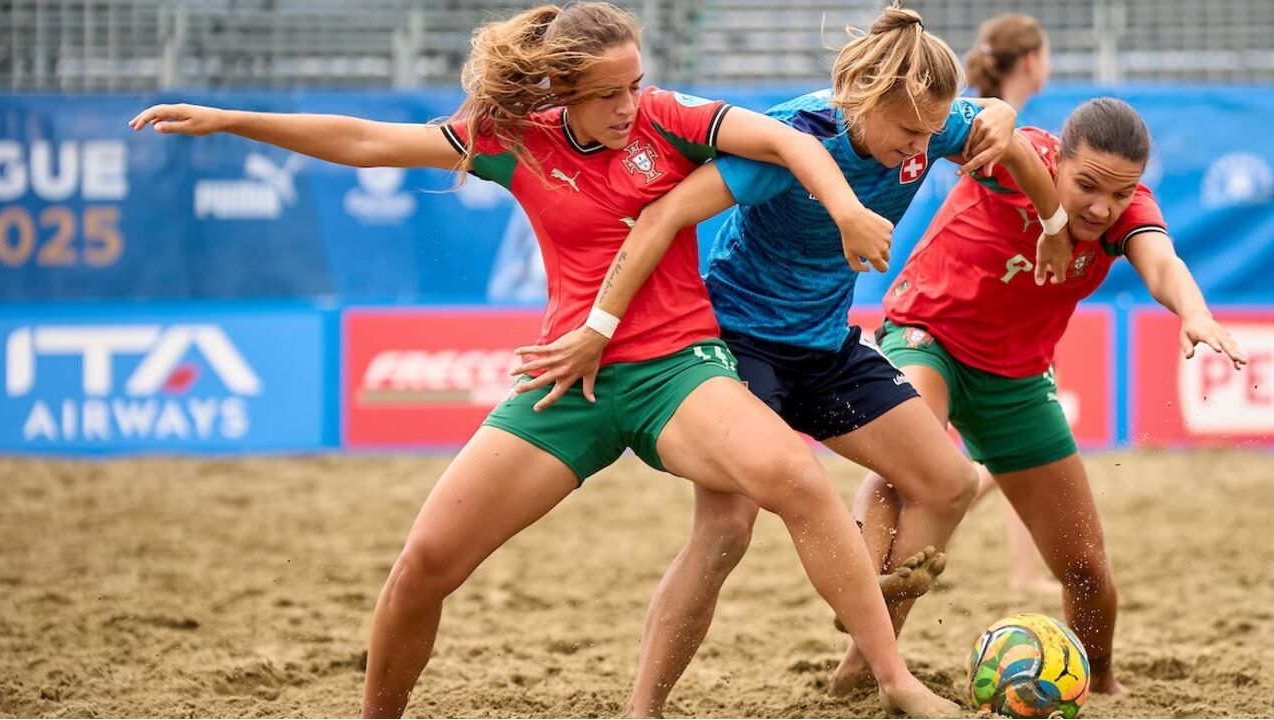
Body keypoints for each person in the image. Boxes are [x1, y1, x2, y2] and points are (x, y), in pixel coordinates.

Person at [129, 3, 959, 718]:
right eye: (608, 94)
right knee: (423, 567)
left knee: (798, 481)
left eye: (635, 83)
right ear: (560, 92)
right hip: (569, 375)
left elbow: (790, 142)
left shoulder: (669, 117)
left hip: (681, 367)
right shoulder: (512, 140)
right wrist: (232, 119)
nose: (630, 105)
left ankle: (890, 678)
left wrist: (848, 208)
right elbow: (364, 140)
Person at [516, 4, 1074, 714]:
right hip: (740, 345)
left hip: (825, 344)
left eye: (932, 135)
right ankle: (644, 706)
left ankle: (861, 666)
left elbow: (1013, 147)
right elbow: (662, 217)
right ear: (865, 101)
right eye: (907, 132)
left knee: (949, 482)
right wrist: (602, 324)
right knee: (724, 532)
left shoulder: (929, 122)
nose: (920, 148)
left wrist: (1053, 224)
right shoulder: (791, 139)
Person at [869, 97, 1247, 695]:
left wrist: (1194, 313)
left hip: (1017, 382)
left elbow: (1163, 265)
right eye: (1088, 186)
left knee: (1085, 569)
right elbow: (984, 126)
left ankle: (1099, 683)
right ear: (1060, 160)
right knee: (910, 459)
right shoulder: (1022, 159)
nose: (1102, 208)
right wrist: (995, 111)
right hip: (927, 338)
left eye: (1121, 194)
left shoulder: (1128, 212)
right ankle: (864, 636)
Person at [964, 13, 1060, 594]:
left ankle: (1025, 572)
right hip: (1000, 298)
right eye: (1047, 53)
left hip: (1013, 294)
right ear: (1030, 61)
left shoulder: (989, 122)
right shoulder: (992, 126)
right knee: (1014, 450)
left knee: (1019, 450)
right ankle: (927, 527)